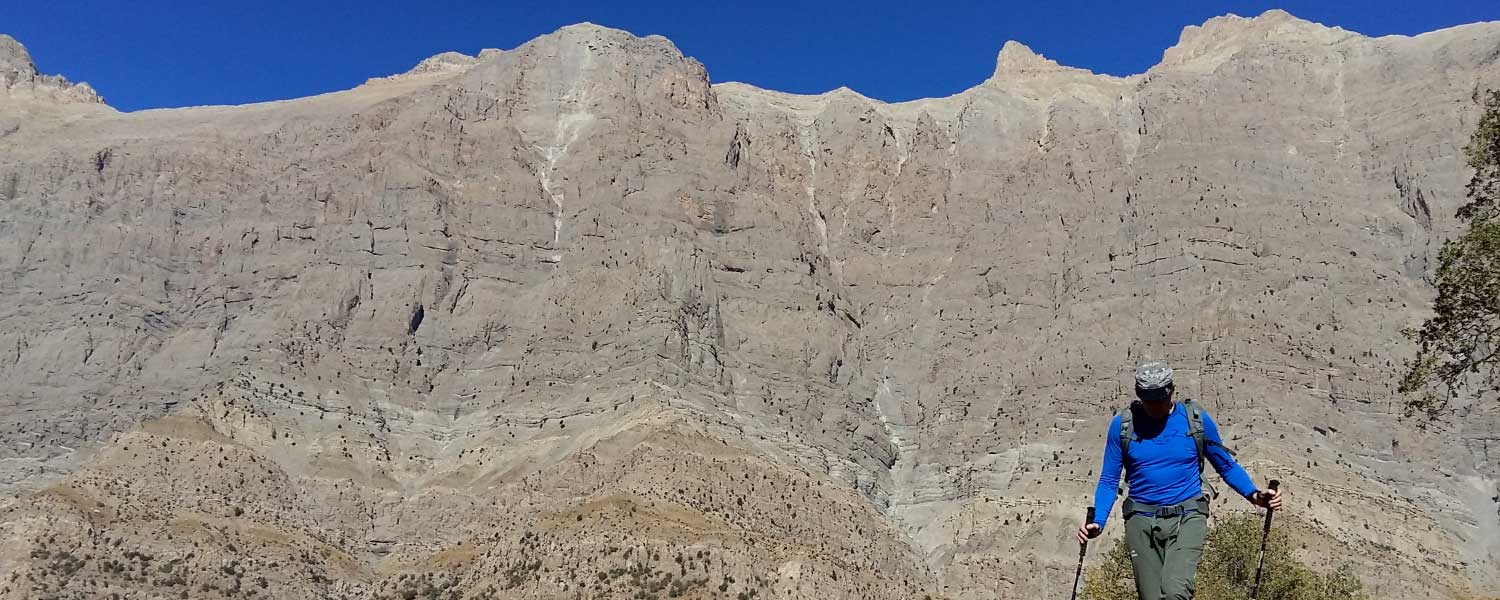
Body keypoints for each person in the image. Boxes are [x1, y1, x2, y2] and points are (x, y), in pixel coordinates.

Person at [1076, 361, 1283, 600]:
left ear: (1172, 391)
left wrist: (1255, 495)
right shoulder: (1122, 425)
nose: (1155, 407)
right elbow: (1109, 480)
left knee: (1175, 592)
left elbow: (1226, 465)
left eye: (1160, 400)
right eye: (1149, 401)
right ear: (1139, 396)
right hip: (1141, 520)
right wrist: (1098, 521)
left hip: (1188, 515)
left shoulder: (1195, 420)